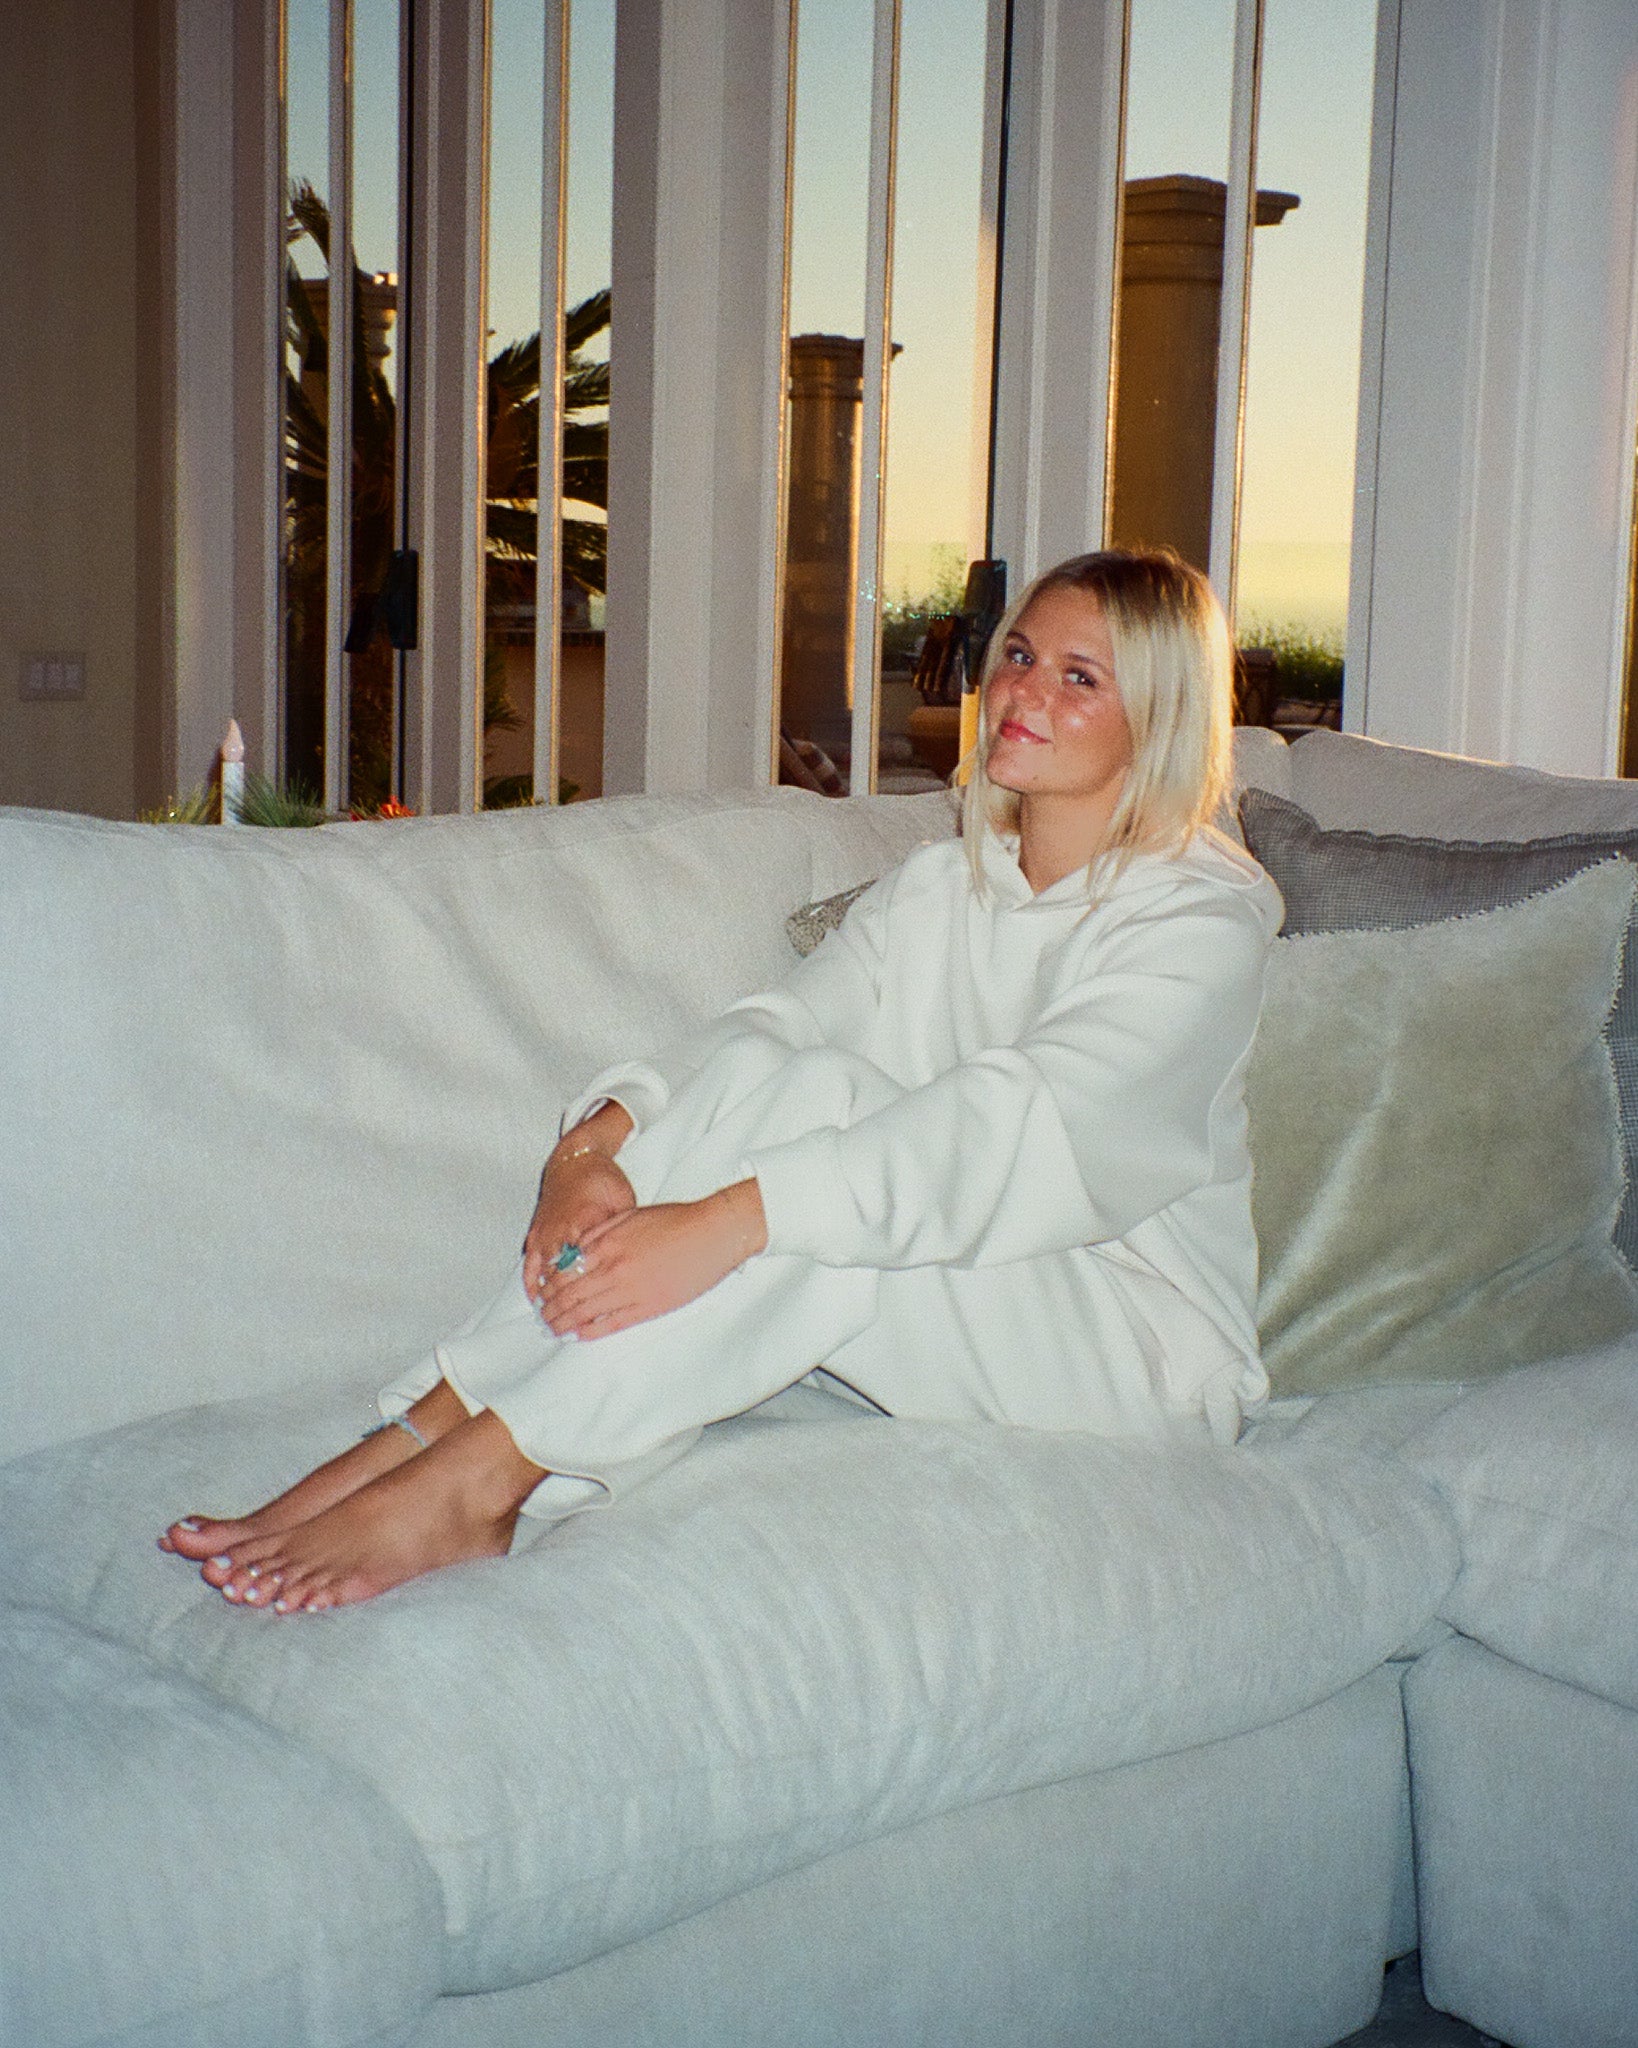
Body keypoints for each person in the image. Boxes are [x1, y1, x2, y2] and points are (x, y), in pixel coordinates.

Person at [161, 547, 1283, 1614]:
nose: (1023, 689)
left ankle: (476, 1482)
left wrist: (729, 1222)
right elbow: (776, 1028)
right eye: (1022, 654)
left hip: (1134, 1364)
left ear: (1161, 719)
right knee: (789, 1078)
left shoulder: (1203, 914)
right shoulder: (950, 884)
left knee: (828, 1128)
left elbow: (1019, 1128)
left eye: (1079, 677)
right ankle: (426, 1429)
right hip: (968, 1288)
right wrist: (593, 1147)